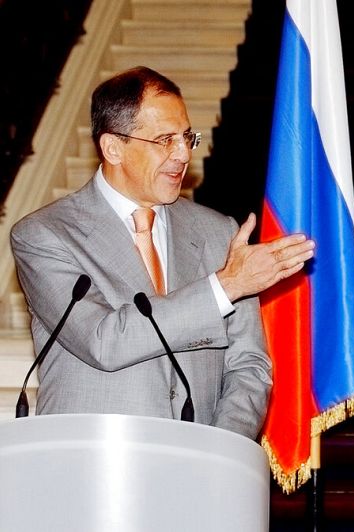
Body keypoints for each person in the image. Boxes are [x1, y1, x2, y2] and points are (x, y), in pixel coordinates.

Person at [10, 66, 315, 439]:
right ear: (113, 147)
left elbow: (248, 365)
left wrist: (218, 448)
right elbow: (104, 341)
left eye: (187, 137)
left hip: (199, 469)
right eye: (165, 140)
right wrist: (222, 288)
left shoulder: (219, 233)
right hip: (94, 466)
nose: (184, 154)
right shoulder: (45, 235)